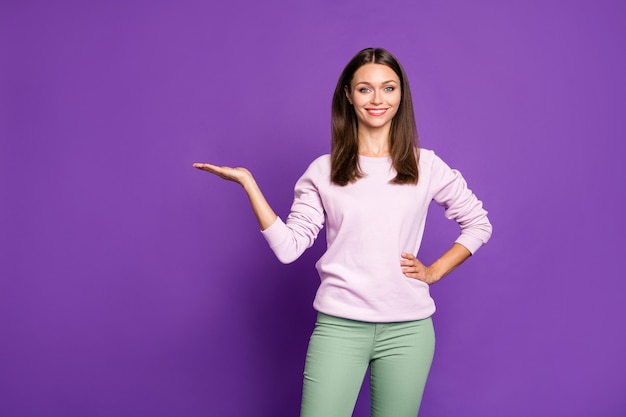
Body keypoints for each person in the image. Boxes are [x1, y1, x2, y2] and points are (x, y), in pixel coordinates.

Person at [193, 47, 492, 417]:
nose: (378, 99)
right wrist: (249, 185)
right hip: (339, 329)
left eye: (389, 88)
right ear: (348, 96)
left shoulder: (425, 165)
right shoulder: (323, 171)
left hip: (409, 332)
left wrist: (435, 271)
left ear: (401, 96)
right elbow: (288, 249)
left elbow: (478, 223)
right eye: (365, 89)